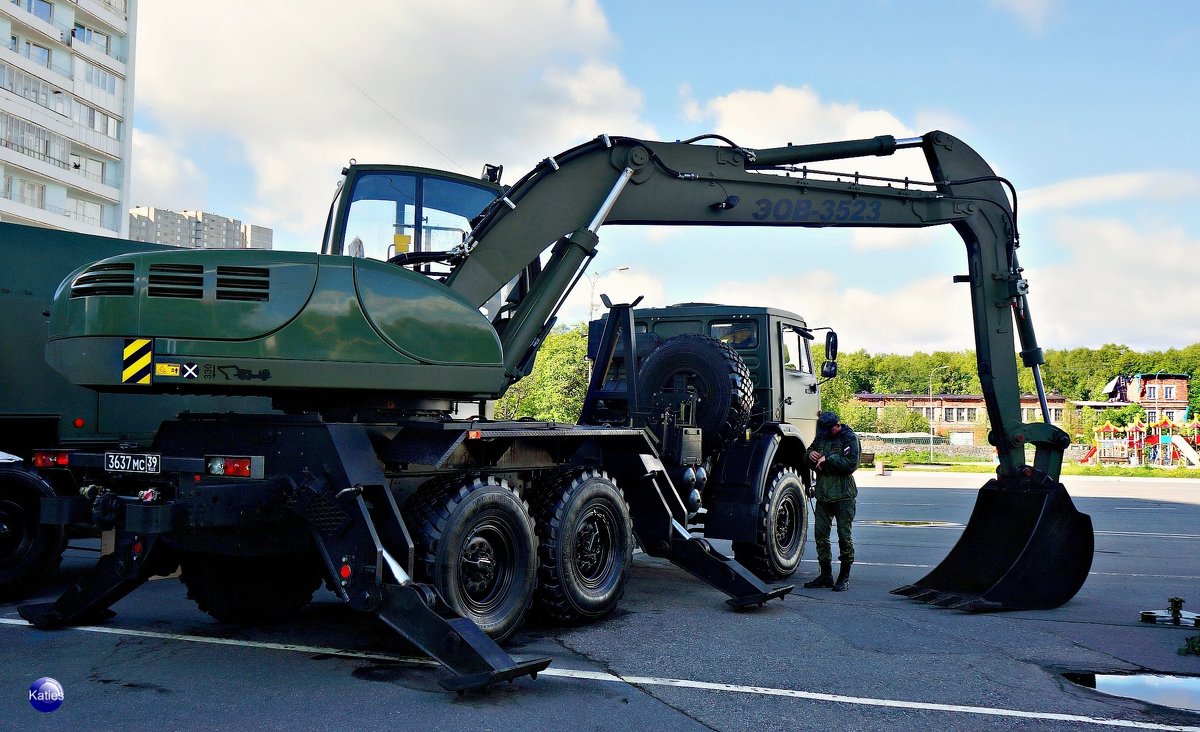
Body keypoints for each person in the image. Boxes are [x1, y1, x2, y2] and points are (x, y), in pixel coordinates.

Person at [803, 410, 860, 592]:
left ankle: (844, 576)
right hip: (824, 494)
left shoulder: (849, 438)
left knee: (844, 536)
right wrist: (810, 455)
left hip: (844, 496)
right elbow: (808, 455)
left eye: (829, 430)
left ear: (837, 426)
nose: (825, 434)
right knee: (821, 536)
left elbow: (851, 464)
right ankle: (825, 574)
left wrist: (828, 458)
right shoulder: (822, 437)